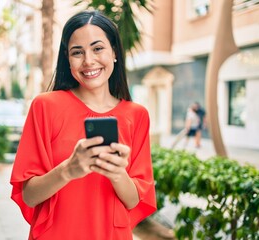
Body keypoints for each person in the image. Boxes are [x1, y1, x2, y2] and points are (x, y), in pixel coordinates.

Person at [10, 10, 157, 240]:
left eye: (98, 48)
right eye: (77, 52)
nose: (88, 60)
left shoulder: (137, 115)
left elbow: (134, 200)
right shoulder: (45, 107)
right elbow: (29, 195)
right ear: (67, 59)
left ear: (115, 53)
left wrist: (118, 173)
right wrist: (69, 170)